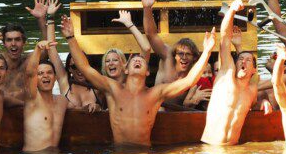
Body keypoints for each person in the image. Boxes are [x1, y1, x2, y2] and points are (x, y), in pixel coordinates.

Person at [60, 14, 216, 147]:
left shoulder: (155, 94)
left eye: (141, 60)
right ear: (126, 69)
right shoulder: (113, 89)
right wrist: (70, 37)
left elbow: (189, 81)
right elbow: (85, 68)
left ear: (147, 72)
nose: (137, 59)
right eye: (133, 59)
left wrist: (207, 52)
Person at [201, 0, 260, 145]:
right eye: (240, 59)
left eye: (248, 60)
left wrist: (264, 102)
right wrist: (232, 11)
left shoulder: (252, 91)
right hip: (211, 149)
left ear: (253, 70)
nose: (243, 62)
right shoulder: (227, 75)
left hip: (234, 151)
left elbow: (255, 102)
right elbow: (225, 40)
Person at [141, 0, 202, 105]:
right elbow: (151, 34)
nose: (184, 57)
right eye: (180, 53)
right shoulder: (168, 56)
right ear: (175, 55)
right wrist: (147, 8)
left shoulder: (196, 71)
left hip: (178, 115)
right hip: (155, 109)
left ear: (194, 57)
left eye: (188, 54)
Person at [22, 16, 68, 152]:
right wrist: (37, 49)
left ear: (55, 78)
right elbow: (29, 73)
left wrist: (92, 105)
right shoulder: (32, 98)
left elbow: (78, 106)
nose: (45, 76)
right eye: (40, 74)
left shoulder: (62, 101)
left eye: (49, 73)